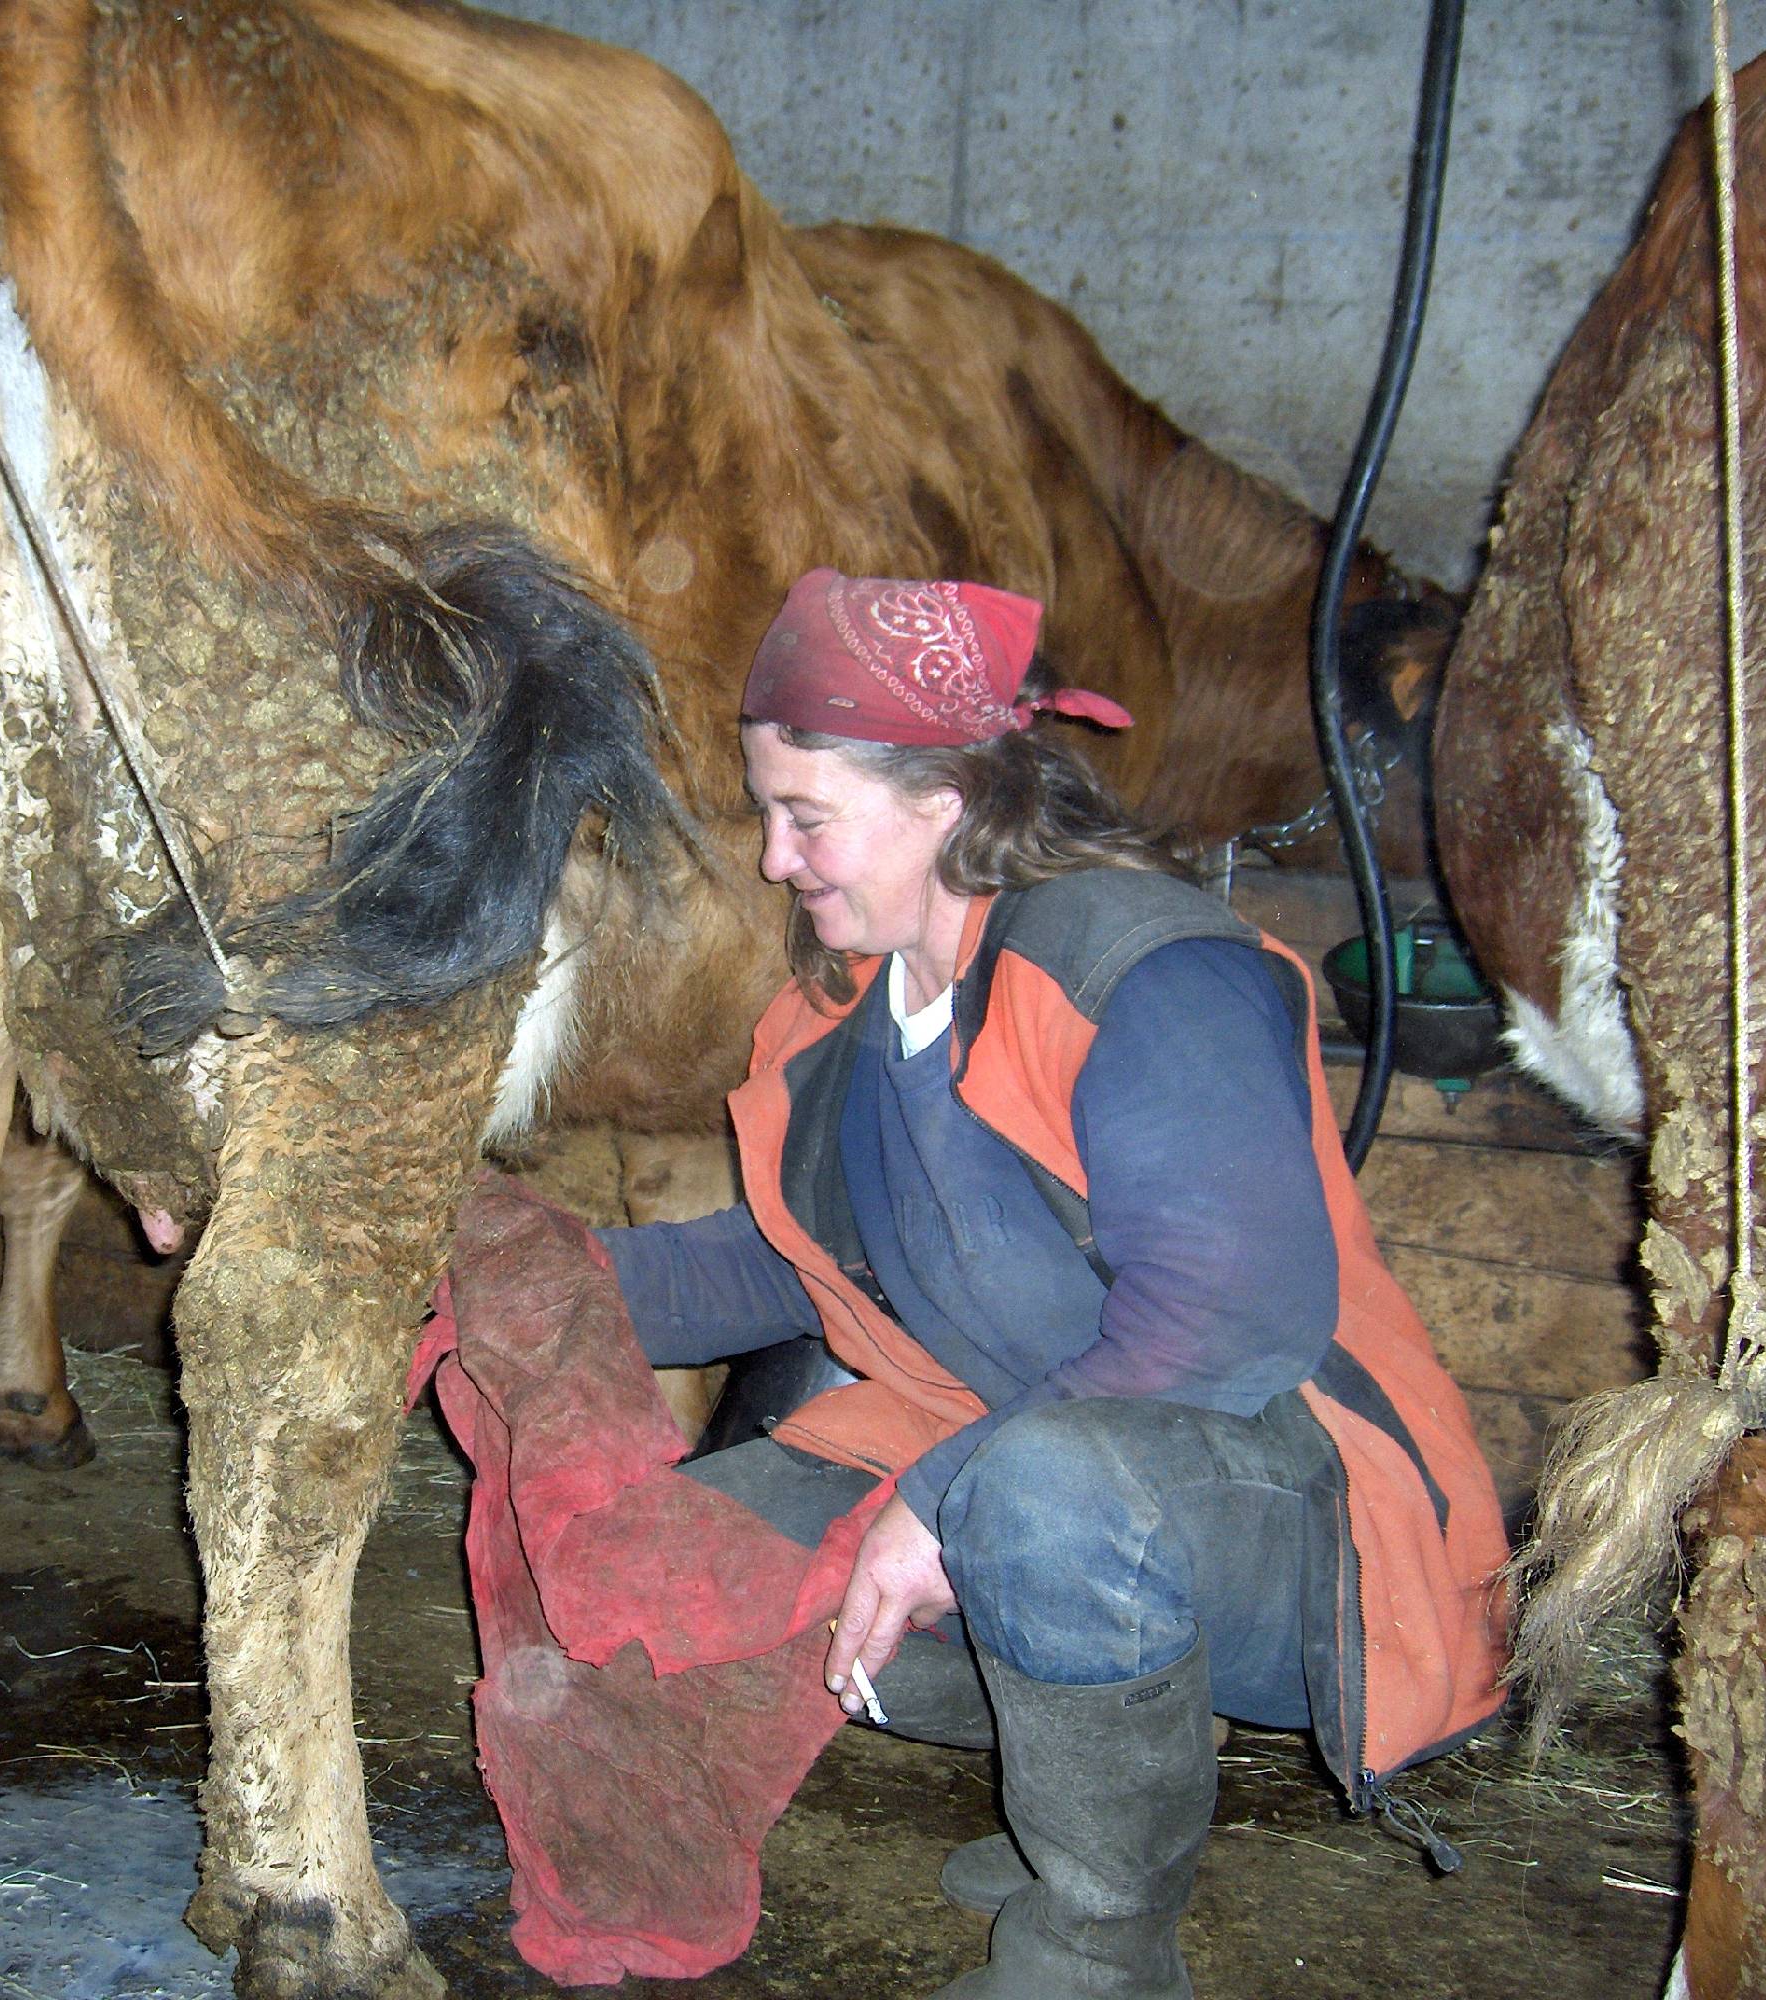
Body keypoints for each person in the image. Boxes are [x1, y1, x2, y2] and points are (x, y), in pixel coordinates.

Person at [596, 569, 1507, 2000]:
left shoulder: (1149, 971)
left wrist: (938, 1499)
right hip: (1023, 1457)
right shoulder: (853, 1008)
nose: (775, 860)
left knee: (1040, 1502)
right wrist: (476, 1274)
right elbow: (781, 1263)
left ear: (944, 798)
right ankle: (1079, 1777)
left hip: (1285, 1496)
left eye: (804, 817)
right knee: (672, 1571)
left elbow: (1227, 1316)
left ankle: (1095, 1943)